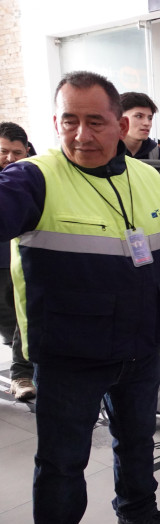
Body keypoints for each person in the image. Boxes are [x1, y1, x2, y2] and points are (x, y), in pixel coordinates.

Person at [0, 70, 160, 524]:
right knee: (62, 462)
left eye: (96, 121)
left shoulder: (150, 180)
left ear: (120, 126)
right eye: (69, 121)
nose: (82, 135)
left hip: (142, 344)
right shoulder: (32, 179)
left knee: (138, 440)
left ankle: (137, 510)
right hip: (68, 355)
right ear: (55, 123)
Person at [0, 121, 36, 400]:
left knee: (21, 321)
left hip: (18, 262)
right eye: (3, 151)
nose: (10, 158)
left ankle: (21, 375)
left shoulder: (30, 180)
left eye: (16, 152)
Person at [120, 92, 160, 160]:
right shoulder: (104, 152)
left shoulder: (159, 155)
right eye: (139, 116)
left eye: (150, 118)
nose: (147, 123)